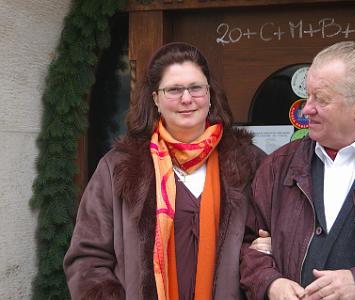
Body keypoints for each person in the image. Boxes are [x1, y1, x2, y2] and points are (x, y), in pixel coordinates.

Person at [63, 42, 265, 300]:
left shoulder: (249, 164)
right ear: (156, 99)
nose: (187, 98)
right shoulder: (119, 167)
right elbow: (87, 258)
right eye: (174, 90)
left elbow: (271, 241)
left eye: (196, 88)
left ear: (210, 94)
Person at [240, 41, 355, 300]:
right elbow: (246, 246)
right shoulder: (277, 167)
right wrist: (270, 282)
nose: (306, 109)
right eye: (308, 96)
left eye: (321, 99)